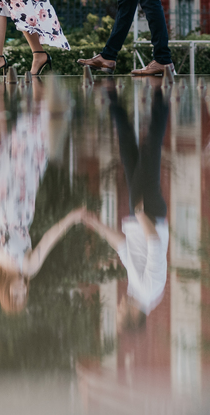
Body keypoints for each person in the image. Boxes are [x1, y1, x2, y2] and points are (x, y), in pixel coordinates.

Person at [0, 82, 85, 314]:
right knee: (34, 130)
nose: (22, 291)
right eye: (23, 295)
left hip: (2, 190)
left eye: (16, 295)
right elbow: (48, 240)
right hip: (21, 195)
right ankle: (37, 74)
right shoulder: (29, 266)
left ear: (5, 291)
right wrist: (71, 219)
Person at [81, 81, 170, 324]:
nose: (118, 307)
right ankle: (161, 92)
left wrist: (96, 224)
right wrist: (142, 217)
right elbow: (155, 246)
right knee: (150, 150)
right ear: (132, 316)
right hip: (148, 214)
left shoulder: (138, 292)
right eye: (120, 314)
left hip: (141, 215)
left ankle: (112, 94)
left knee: (128, 151)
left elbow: (123, 247)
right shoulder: (149, 290)